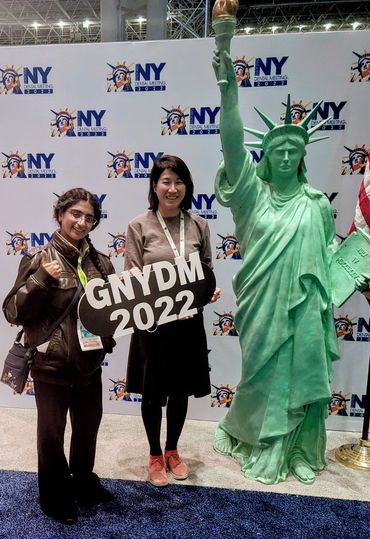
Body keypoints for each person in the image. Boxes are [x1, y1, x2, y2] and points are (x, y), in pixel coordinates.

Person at [212, 48, 341, 484]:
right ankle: (257, 439)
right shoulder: (252, 195)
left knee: (304, 374)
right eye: (278, 150)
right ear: (266, 154)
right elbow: (232, 146)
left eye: (294, 150)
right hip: (262, 304)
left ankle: (300, 450)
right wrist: (229, 97)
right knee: (261, 376)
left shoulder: (318, 204)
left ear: (303, 156)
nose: (285, 157)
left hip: (306, 308)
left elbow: (325, 260)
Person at [3, 188, 116, 524]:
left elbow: (112, 310)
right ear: (61, 214)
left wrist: (106, 341)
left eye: (89, 218)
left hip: (89, 364)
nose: (81, 222)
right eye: (76, 214)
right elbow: (12, 312)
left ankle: (82, 483)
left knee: (87, 428)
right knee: (51, 434)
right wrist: (40, 279)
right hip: (51, 364)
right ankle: (54, 497)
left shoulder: (101, 262)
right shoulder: (40, 258)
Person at [124, 155, 220, 487]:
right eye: (166, 181)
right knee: (153, 394)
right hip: (153, 325)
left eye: (179, 182)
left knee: (180, 392)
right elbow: (132, 276)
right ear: (154, 186)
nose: (172, 188)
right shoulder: (139, 226)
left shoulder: (199, 225)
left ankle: (172, 450)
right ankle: (153, 455)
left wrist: (210, 291)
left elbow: (205, 270)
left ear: (187, 188)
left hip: (189, 323)